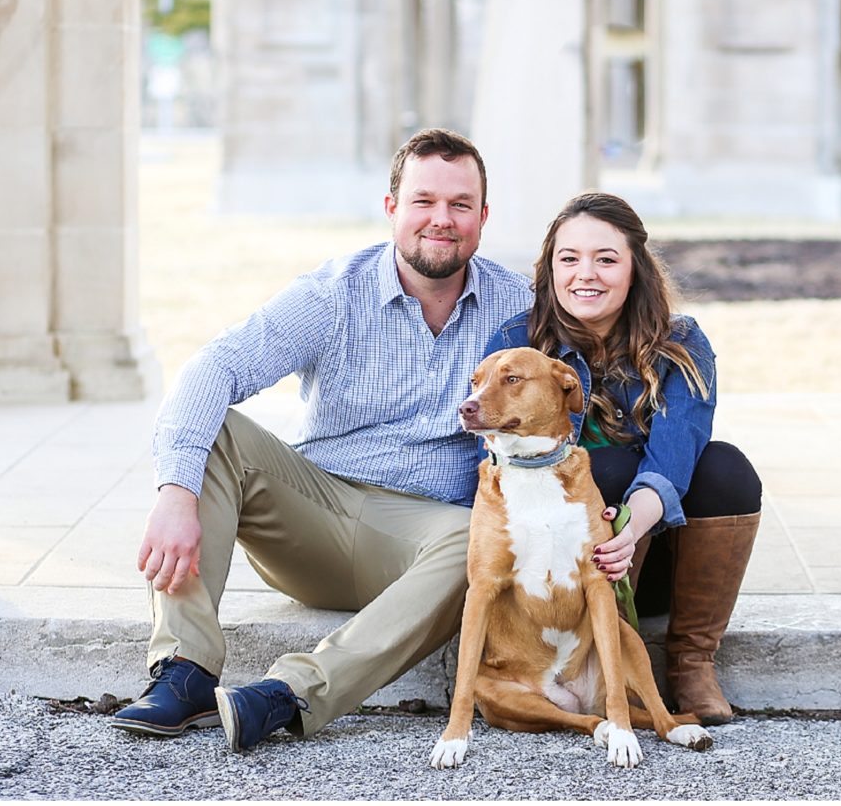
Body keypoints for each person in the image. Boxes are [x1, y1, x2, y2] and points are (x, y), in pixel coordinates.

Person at [110, 129, 533, 752]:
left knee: (481, 539)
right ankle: (185, 670)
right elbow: (215, 367)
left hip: (428, 534)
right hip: (316, 514)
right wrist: (175, 491)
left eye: (460, 205)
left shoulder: (517, 306)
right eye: (423, 201)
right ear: (392, 207)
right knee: (216, 431)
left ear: (483, 217)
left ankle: (289, 694)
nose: (441, 220)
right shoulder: (335, 292)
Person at [484, 192, 762, 725]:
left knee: (725, 468)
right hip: (560, 574)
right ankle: (601, 663)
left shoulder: (680, 343)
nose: (585, 274)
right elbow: (502, 466)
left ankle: (690, 661)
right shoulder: (518, 345)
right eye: (569, 259)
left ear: (636, 268)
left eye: (605, 259)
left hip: (647, 554)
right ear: (549, 270)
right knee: (601, 466)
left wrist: (630, 529)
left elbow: (675, 455)